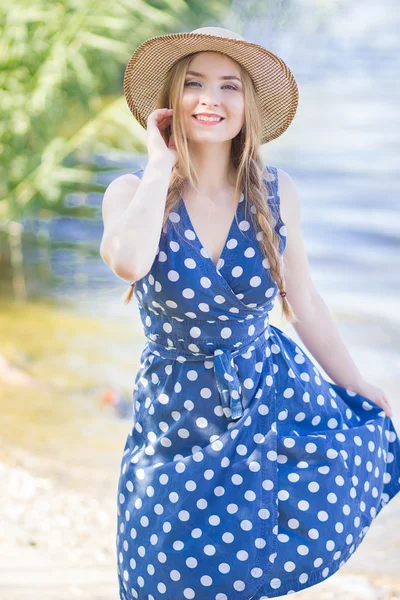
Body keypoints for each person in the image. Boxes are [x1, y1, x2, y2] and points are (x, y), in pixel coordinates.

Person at [100, 27, 400, 600]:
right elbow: (128, 262)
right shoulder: (132, 192)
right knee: (164, 570)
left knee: (247, 566)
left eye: (228, 86)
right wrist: (161, 163)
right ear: (169, 99)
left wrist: (356, 381)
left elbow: (304, 301)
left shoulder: (275, 190)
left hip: (266, 399)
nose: (210, 98)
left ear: (248, 106)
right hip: (175, 412)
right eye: (193, 83)